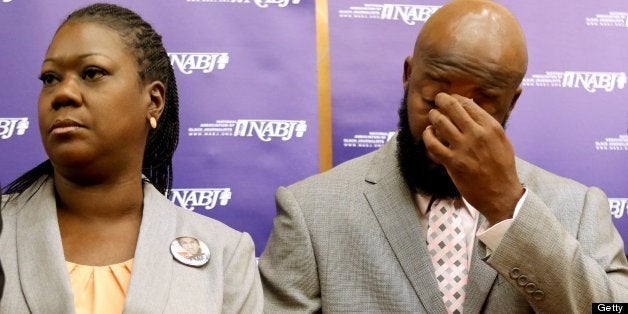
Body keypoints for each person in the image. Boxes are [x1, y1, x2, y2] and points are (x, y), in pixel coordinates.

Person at [259, 0, 628, 312]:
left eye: (481, 104)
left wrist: (509, 208)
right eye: (434, 98)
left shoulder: (577, 208)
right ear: (409, 76)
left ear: (512, 101)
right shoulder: (311, 212)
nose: (450, 122)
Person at [0, 3, 262, 313]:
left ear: (153, 101)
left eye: (91, 73)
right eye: (50, 79)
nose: (62, 94)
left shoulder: (225, 254)